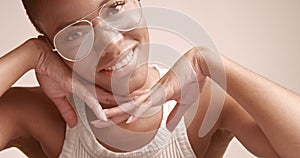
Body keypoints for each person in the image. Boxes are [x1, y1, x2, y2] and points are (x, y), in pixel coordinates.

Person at [0, 0, 298, 157]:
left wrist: (210, 61)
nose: (111, 43)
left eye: (115, 6)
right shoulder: (41, 115)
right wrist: (30, 55)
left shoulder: (205, 100)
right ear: (53, 48)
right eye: (75, 33)